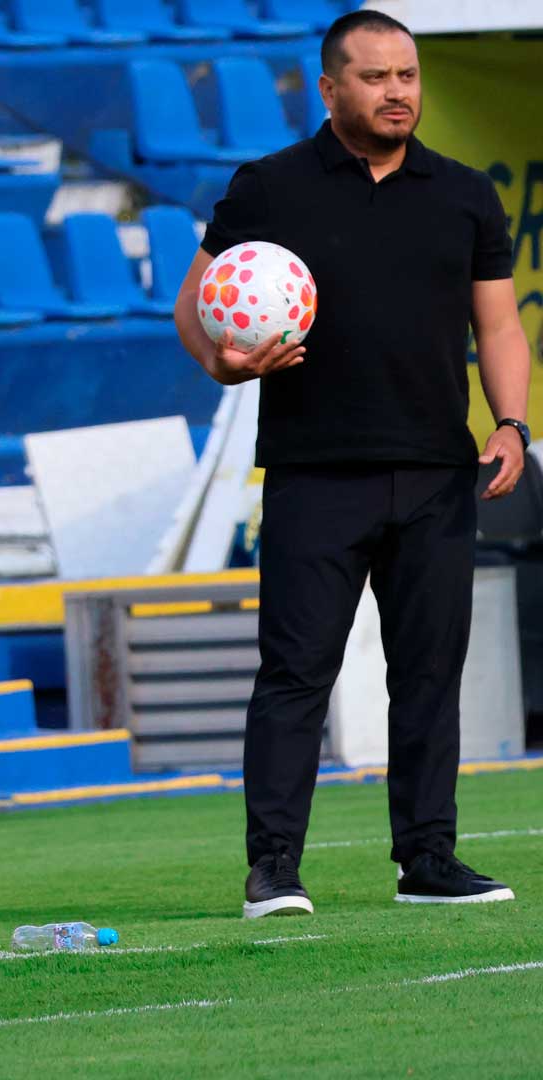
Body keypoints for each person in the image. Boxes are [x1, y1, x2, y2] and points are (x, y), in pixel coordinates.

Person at [171, 10, 528, 919]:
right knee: (295, 675)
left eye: (408, 75)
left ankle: (428, 862)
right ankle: (274, 870)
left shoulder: (463, 195)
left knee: (428, 677)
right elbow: (193, 305)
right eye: (376, 78)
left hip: (438, 475)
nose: (399, 92)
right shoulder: (268, 188)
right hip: (314, 473)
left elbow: (497, 325)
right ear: (330, 89)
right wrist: (225, 362)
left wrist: (513, 424)